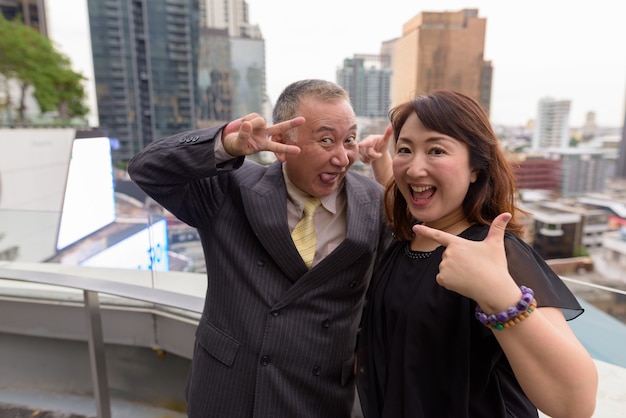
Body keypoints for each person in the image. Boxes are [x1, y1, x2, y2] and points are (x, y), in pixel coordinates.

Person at [127, 79, 391, 418]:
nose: (342, 157)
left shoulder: (374, 204)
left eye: (349, 140)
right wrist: (225, 145)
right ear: (281, 142)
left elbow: (385, 292)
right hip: (229, 390)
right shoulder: (231, 189)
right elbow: (146, 168)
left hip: (317, 395)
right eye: (326, 140)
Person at [355, 89, 598, 418]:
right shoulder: (411, 236)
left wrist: (496, 292)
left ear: (475, 168)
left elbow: (575, 405)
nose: (414, 168)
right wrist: (380, 161)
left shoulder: (494, 253)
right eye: (405, 150)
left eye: (436, 150)